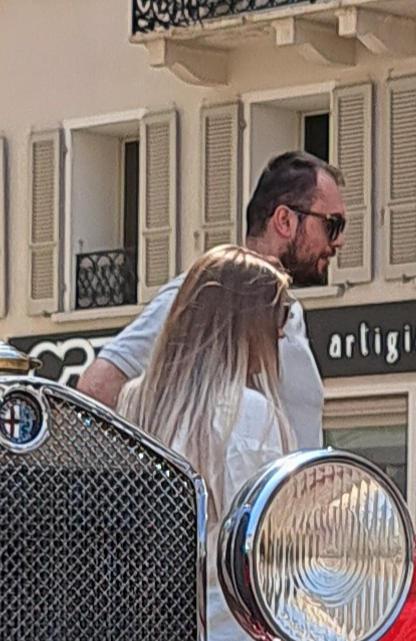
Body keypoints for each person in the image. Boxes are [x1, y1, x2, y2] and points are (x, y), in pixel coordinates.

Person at [114, 247, 297, 641]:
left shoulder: (136, 403)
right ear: (247, 325)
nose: (282, 337)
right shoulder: (254, 413)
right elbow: (276, 549)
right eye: (278, 322)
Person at [80, 150, 345, 448]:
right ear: (284, 220)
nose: (338, 241)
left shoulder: (288, 311)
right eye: (331, 225)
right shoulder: (207, 292)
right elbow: (97, 388)